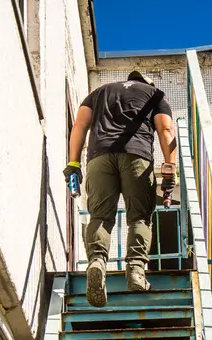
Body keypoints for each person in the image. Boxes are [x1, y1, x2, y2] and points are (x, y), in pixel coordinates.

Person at [63, 71, 176, 307]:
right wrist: (170, 167)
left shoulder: (98, 93)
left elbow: (79, 127)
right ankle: (135, 270)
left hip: (99, 159)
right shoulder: (154, 94)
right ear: (147, 83)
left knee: (100, 216)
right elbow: (166, 130)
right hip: (137, 157)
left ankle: (96, 262)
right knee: (140, 218)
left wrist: (73, 163)